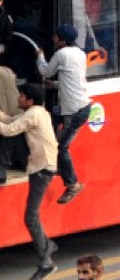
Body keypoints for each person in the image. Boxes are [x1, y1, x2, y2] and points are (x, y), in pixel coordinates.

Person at [0, 83, 58, 280]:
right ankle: (46, 247)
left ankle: (46, 262)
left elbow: (8, 130)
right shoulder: (36, 112)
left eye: (21, 96)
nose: (18, 99)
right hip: (40, 167)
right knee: (31, 216)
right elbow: (9, 119)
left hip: (42, 169)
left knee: (31, 217)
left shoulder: (33, 115)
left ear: (30, 100)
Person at [37, 23, 91, 204]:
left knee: (63, 147)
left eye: (56, 36)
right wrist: (55, 85)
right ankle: (58, 164)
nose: (53, 39)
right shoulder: (80, 53)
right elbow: (73, 79)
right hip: (81, 107)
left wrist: (40, 56)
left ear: (62, 40)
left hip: (74, 112)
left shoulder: (61, 54)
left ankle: (73, 184)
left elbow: (45, 71)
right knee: (50, 117)